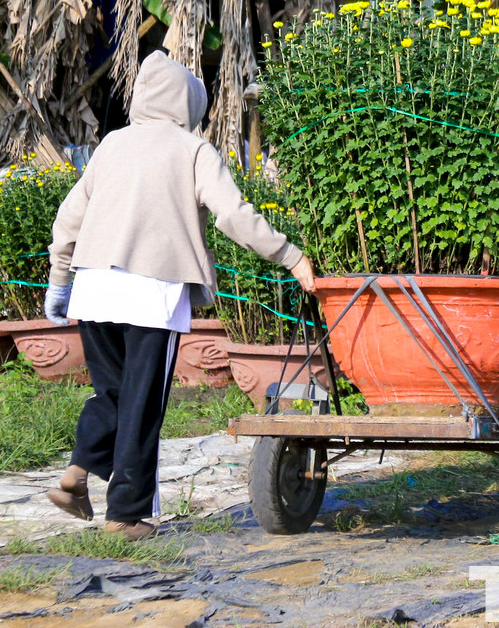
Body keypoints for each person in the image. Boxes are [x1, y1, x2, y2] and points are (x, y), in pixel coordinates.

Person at [43, 51, 317, 540]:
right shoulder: (193, 151)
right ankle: (125, 517)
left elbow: (69, 218)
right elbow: (233, 217)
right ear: (187, 105)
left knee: (112, 392)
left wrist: (59, 280)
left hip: (93, 288)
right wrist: (291, 256)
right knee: (142, 404)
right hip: (152, 292)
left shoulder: (111, 145)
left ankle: (76, 474)